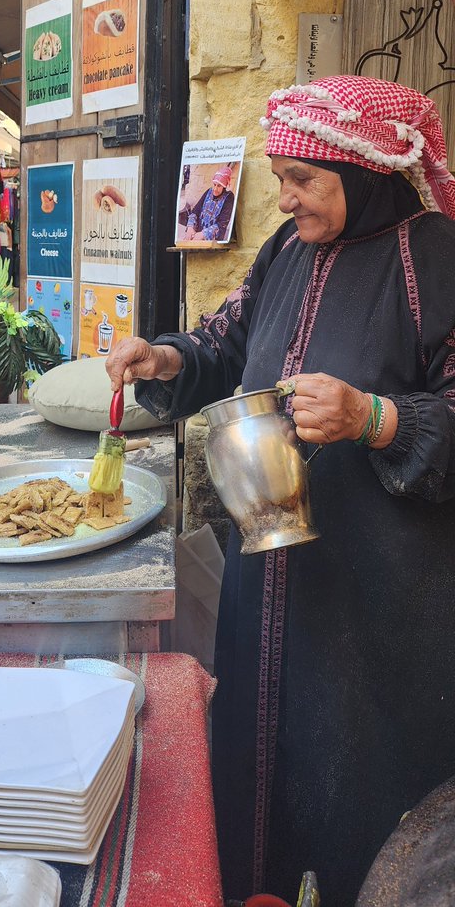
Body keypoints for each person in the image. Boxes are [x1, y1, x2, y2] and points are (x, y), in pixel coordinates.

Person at [106, 75, 455, 907]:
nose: (287, 196)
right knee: (264, 770)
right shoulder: (285, 252)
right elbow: (226, 343)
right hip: (269, 583)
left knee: (360, 796)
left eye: (305, 179)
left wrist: (375, 417)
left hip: (379, 605)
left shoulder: (432, 256)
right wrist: (165, 358)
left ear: (364, 171)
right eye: (281, 175)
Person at [181, 165, 235, 242]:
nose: (215, 189)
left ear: (224, 186)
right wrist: (190, 227)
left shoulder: (229, 197)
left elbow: (222, 224)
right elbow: (195, 211)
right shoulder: (209, 191)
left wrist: (203, 234)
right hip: (196, 235)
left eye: (219, 186)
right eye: (214, 184)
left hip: (212, 241)